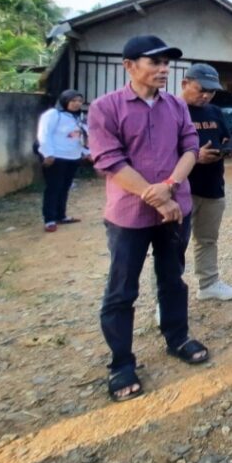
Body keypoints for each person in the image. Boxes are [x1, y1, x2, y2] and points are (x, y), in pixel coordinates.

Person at [88, 35, 208, 403]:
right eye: (154, 62)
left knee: (172, 279)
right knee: (122, 289)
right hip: (129, 217)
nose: (163, 69)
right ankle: (121, 362)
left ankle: (177, 338)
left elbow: (189, 149)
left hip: (175, 209)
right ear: (129, 66)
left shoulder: (176, 106)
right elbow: (110, 161)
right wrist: (155, 198)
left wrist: (171, 185)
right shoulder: (105, 108)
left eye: (166, 63)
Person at [180, 64, 232, 301]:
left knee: (207, 239)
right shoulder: (172, 110)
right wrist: (195, 157)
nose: (206, 95)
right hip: (181, 189)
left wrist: (229, 147)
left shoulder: (214, 112)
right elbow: (159, 153)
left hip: (213, 187)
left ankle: (208, 284)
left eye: (211, 91)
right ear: (185, 83)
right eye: (201, 89)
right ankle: (164, 299)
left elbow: (226, 136)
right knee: (172, 247)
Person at [37, 89, 89, 232]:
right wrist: (48, 154)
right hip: (56, 157)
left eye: (79, 101)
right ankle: (49, 219)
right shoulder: (53, 115)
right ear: (65, 101)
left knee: (65, 187)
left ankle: (61, 215)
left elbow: (83, 136)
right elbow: (44, 134)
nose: (77, 104)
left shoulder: (79, 117)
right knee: (54, 188)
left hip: (73, 157)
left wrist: (86, 152)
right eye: (73, 101)